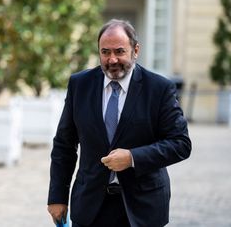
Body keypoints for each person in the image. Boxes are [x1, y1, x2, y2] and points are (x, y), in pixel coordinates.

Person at [47, 19, 191, 227]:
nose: (112, 59)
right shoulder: (80, 84)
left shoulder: (159, 89)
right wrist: (57, 196)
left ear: (135, 50)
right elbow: (64, 144)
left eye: (119, 51)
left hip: (142, 209)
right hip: (90, 206)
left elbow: (181, 143)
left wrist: (133, 157)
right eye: (105, 52)